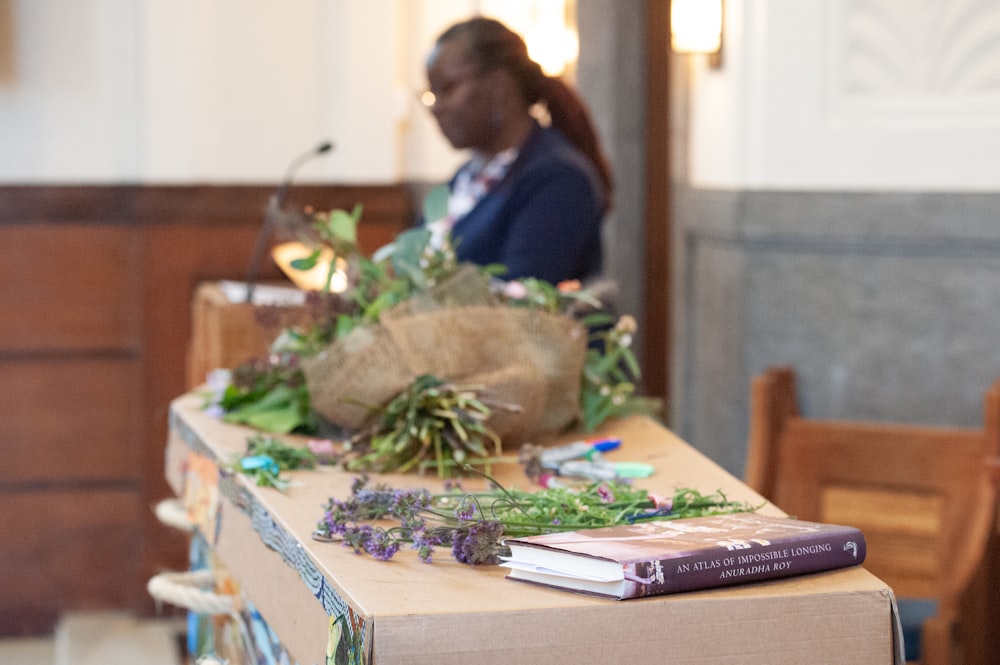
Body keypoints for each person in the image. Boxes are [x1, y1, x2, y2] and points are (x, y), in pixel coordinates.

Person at [422, 16, 613, 285]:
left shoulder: (559, 178)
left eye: (447, 89)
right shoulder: (466, 178)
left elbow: (521, 301)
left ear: (498, 86)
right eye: (430, 94)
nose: (436, 108)